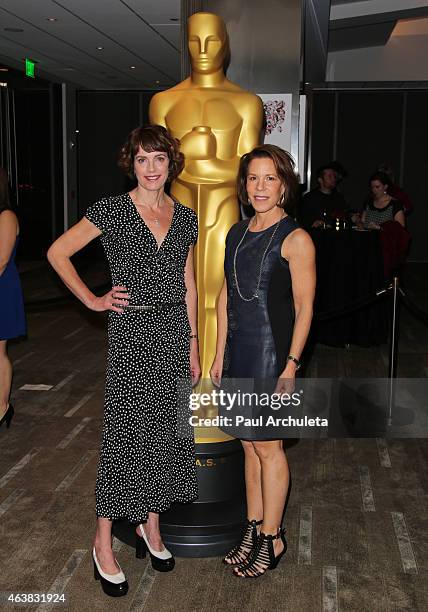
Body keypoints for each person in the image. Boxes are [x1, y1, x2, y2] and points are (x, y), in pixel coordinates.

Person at [47, 125, 201, 597]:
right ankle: (102, 541)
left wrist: (194, 343)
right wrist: (93, 300)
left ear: (171, 162)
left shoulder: (186, 217)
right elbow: (57, 252)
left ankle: (150, 527)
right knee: (126, 438)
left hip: (175, 336)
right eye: (141, 160)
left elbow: (189, 283)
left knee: (166, 435)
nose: (151, 169)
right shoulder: (113, 211)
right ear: (130, 164)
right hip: (133, 337)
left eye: (158, 159)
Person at [210, 145, 315, 578]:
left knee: (269, 448)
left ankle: (274, 537)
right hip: (238, 352)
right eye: (253, 178)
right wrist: (218, 354)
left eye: (270, 178)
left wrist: (291, 365)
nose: (260, 187)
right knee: (247, 445)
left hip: (273, 356)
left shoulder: (296, 238)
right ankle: (253, 529)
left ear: (284, 184)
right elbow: (223, 294)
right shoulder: (236, 232)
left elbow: (306, 308)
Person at [0, 167, 26, 429]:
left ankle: (2, 406)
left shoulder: (6, 215)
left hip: (2, 290)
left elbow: (1, 260)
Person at [299, 164, 347, 229]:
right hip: (316, 236)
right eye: (330, 176)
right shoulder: (310, 198)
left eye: (334, 176)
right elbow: (302, 220)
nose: (333, 179)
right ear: (320, 180)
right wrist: (312, 223)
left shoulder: (339, 198)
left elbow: (343, 218)